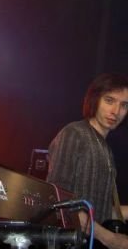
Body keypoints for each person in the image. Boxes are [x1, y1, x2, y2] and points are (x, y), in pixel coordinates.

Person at [47, 73, 128, 249]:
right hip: (69, 243)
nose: (116, 111)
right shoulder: (74, 134)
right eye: (109, 100)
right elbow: (59, 203)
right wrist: (112, 239)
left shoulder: (106, 149)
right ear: (95, 100)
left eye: (124, 105)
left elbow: (100, 209)